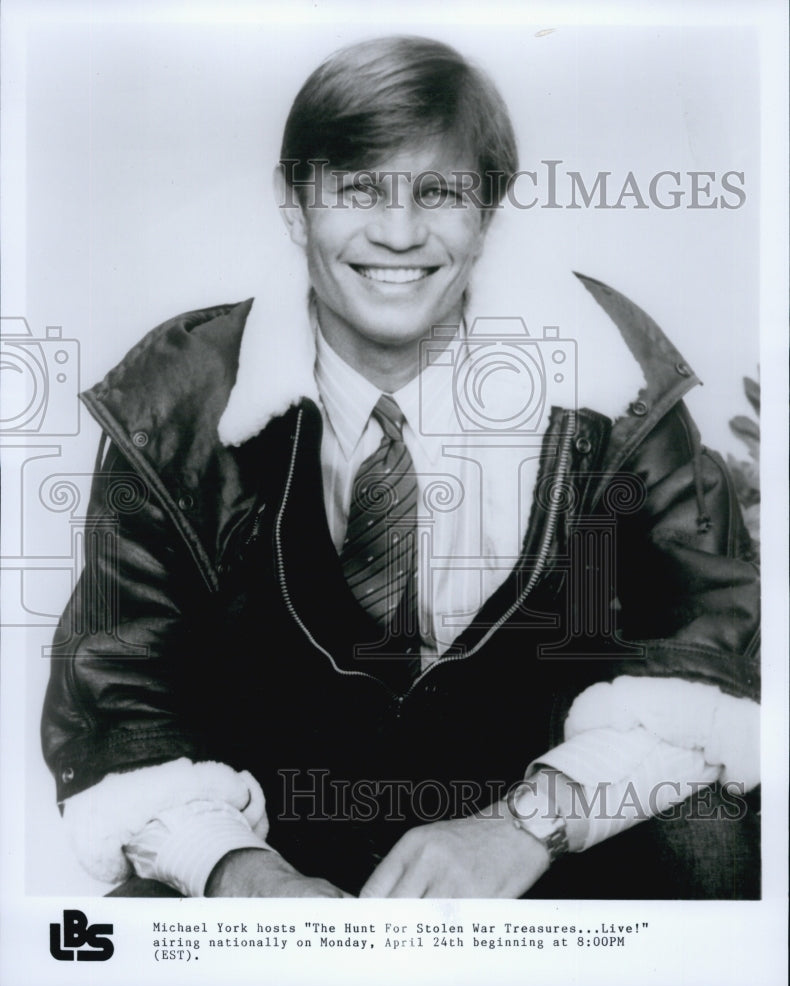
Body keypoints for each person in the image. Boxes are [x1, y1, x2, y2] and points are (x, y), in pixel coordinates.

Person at [41, 34, 760, 899]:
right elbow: (124, 699)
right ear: (292, 203)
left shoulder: (608, 385)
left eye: (439, 192)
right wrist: (237, 872)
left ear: (488, 212)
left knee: (711, 833)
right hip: (278, 845)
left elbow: (705, 647)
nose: (398, 233)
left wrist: (528, 823)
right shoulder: (179, 402)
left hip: (548, 848)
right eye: (355, 189)